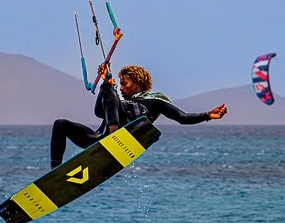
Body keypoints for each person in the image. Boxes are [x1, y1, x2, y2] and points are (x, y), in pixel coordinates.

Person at [49, 63, 228, 168]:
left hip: (126, 136)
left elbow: (181, 117)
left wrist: (207, 115)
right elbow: (98, 112)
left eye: (125, 83)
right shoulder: (116, 96)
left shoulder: (155, 100)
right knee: (60, 124)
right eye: (121, 84)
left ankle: (113, 133)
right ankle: (55, 170)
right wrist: (106, 86)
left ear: (137, 83)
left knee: (110, 89)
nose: (122, 87)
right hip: (101, 139)